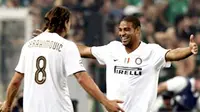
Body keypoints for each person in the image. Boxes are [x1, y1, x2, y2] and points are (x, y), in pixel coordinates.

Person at [33, 15, 198, 112]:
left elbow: (172, 54)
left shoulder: (152, 52)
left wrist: (188, 50)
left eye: (127, 30)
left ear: (138, 31)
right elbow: (84, 50)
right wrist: (53, 40)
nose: (122, 33)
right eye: (120, 30)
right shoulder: (112, 49)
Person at [0, 6, 124, 112]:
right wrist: (105, 102)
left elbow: (16, 81)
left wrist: (8, 105)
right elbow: (82, 78)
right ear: (65, 22)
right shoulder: (67, 46)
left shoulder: (28, 45)